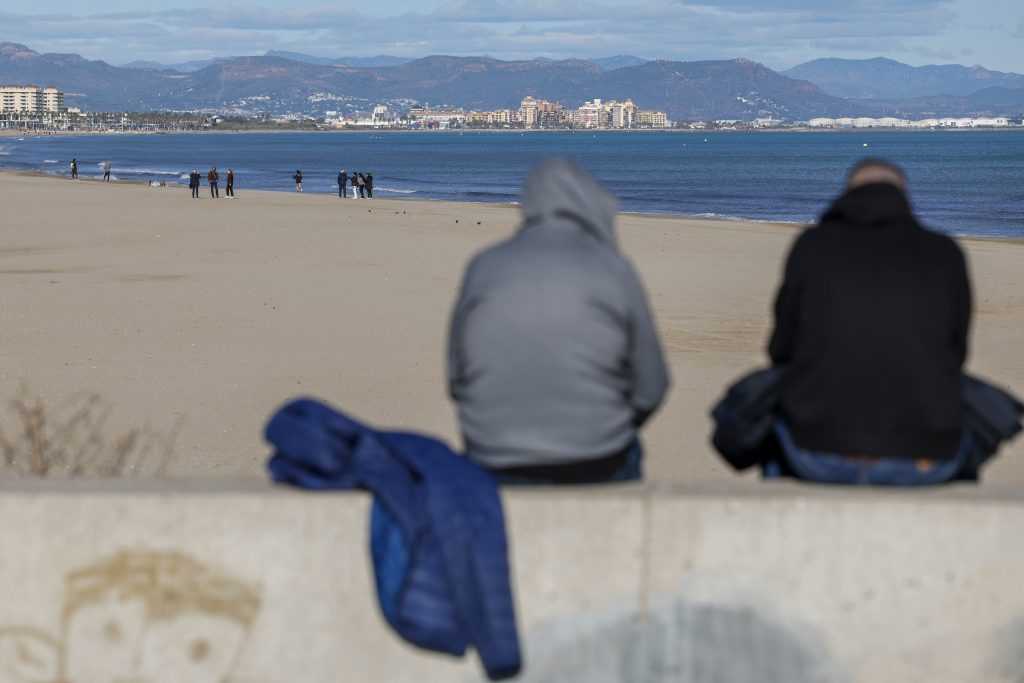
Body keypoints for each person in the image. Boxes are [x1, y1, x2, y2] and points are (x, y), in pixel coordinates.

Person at [448, 156, 669, 484]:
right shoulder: (612, 267)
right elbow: (651, 387)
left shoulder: (484, 265)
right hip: (597, 457)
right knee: (630, 449)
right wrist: (600, 429)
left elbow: (455, 379)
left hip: (494, 456)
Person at [763, 159, 977, 484]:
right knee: (973, 426)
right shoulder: (943, 251)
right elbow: (956, 351)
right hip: (924, 452)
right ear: (903, 196)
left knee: (770, 426)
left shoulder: (813, 245)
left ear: (848, 194)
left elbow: (781, 347)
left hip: (818, 447)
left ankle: (782, 509)